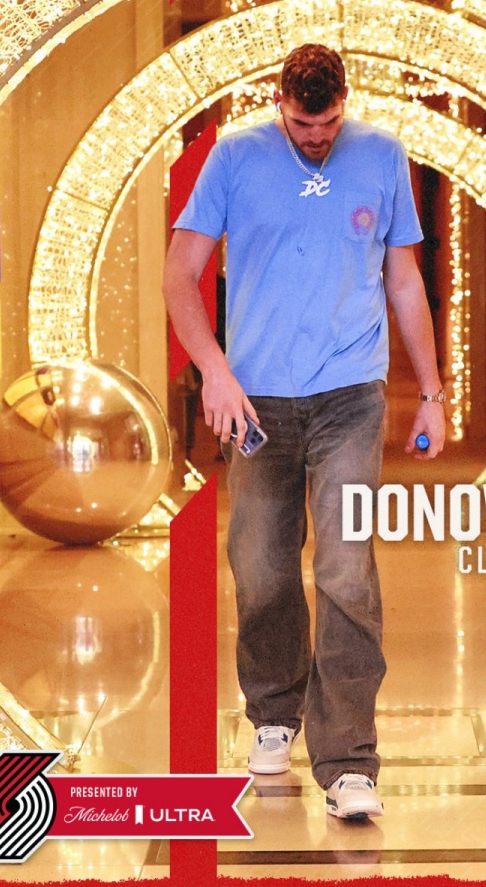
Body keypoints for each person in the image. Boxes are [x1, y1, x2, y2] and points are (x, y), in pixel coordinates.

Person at [163, 44, 445, 821]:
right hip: (255, 402)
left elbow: (404, 280)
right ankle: (274, 711)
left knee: (346, 568)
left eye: (327, 124)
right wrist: (215, 370)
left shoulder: (383, 156)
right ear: (279, 103)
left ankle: (349, 760)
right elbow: (180, 274)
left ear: (344, 102)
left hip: (350, 394)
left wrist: (431, 391)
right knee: (261, 566)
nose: (316, 138)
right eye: (301, 125)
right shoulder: (233, 158)